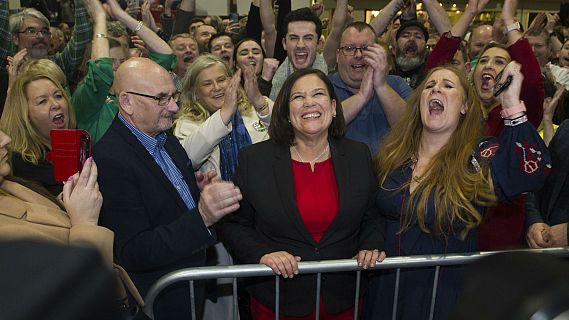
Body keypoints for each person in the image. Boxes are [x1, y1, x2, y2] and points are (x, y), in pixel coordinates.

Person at [363, 64, 550, 320]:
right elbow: (371, 211)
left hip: (443, 293)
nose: (436, 89)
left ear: (464, 107)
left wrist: (510, 103)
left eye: (448, 86)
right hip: (387, 290)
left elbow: (531, 171)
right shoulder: (393, 155)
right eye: (429, 86)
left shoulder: (478, 155)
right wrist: (370, 243)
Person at [217, 68, 386, 319]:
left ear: (333, 106)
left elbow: (372, 215)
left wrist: (371, 246)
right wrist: (262, 254)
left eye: (318, 94)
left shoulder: (358, 155)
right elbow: (234, 225)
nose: (309, 102)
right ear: (285, 112)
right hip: (277, 298)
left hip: (342, 297)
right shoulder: (255, 160)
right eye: (298, 97)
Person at [94, 57, 242, 320]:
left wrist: (192, 190)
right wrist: (203, 217)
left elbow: (162, 200)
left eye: (173, 96)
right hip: (159, 300)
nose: (173, 106)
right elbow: (134, 250)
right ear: (127, 102)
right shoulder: (110, 159)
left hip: (188, 286)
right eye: (161, 99)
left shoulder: (163, 136)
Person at [330, 21, 411, 155]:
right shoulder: (323, 86)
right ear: (338, 56)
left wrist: (381, 86)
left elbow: (412, 127)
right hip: (340, 173)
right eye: (349, 48)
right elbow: (320, 125)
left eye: (366, 48)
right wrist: (361, 97)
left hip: (389, 173)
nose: (358, 55)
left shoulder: (396, 84)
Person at [1, 59, 75, 196]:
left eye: (58, 96)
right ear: (25, 115)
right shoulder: (22, 164)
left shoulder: (78, 145)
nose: (55, 104)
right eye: (42, 101)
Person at [526, 119, 569, 249]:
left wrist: (567, 233)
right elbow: (536, 183)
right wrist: (534, 222)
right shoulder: (565, 130)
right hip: (547, 257)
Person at [269, 7, 328, 101]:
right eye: (293, 38)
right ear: (284, 44)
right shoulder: (275, 82)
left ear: (319, 44)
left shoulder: (330, 82)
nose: (300, 45)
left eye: (308, 38)